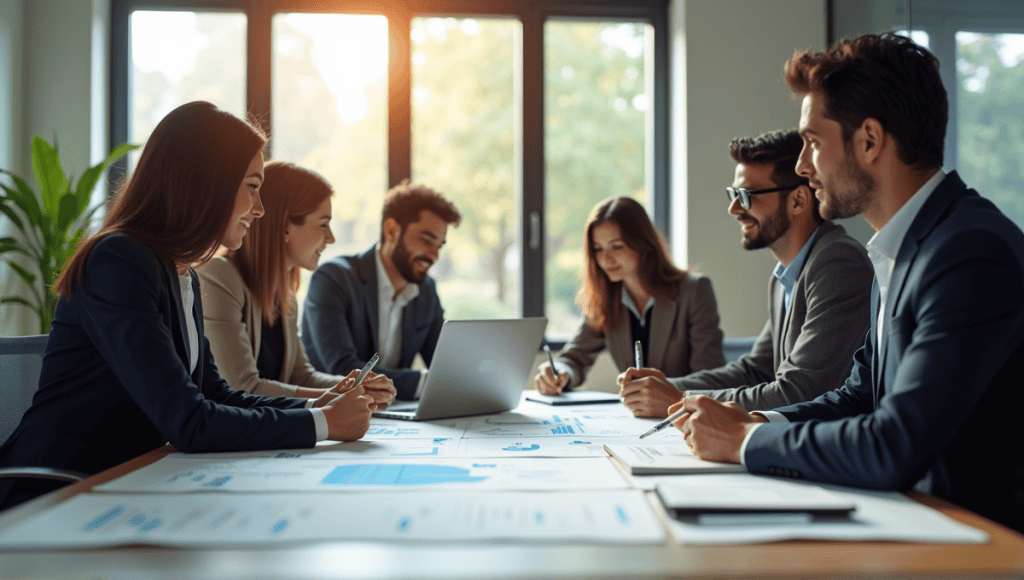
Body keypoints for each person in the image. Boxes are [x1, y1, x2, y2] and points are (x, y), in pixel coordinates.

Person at [671, 33, 1024, 533]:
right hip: (918, 524)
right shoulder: (897, 247)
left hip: (979, 542)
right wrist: (753, 424)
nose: (801, 166)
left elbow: (894, 443)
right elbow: (859, 395)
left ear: (870, 140)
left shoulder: (968, 252)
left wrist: (744, 443)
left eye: (813, 143)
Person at [0, 102, 375, 511]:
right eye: (252, 186)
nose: (260, 208)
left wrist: (315, 405)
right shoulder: (119, 260)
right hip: (56, 495)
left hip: (128, 483)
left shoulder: (182, 273)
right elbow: (189, 421)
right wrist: (322, 424)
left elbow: (216, 394)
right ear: (207, 183)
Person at [618, 130, 873, 417]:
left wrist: (678, 398)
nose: (734, 208)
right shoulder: (785, 276)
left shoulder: (837, 264)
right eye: (733, 194)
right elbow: (756, 370)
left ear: (799, 201)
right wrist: (665, 386)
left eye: (746, 195)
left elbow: (799, 392)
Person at [197, 161, 396, 408]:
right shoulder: (219, 277)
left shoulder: (285, 292)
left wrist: (354, 386)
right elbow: (242, 387)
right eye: (323, 224)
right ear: (284, 226)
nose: (331, 238)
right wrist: (336, 397)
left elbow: (301, 376)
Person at [534, 196, 725, 400]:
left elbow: (709, 377)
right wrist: (559, 373)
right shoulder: (606, 298)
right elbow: (575, 357)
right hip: (637, 415)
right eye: (598, 249)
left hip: (686, 414)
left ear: (642, 243)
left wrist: (664, 393)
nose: (606, 259)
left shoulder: (694, 291)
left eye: (617, 246)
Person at [301, 180, 461, 400]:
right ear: (392, 231)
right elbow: (343, 369)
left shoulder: (426, 290)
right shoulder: (333, 279)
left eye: (439, 245)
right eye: (426, 240)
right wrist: (425, 383)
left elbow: (444, 364)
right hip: (334, 411)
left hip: (393, 413)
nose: (434, 256)